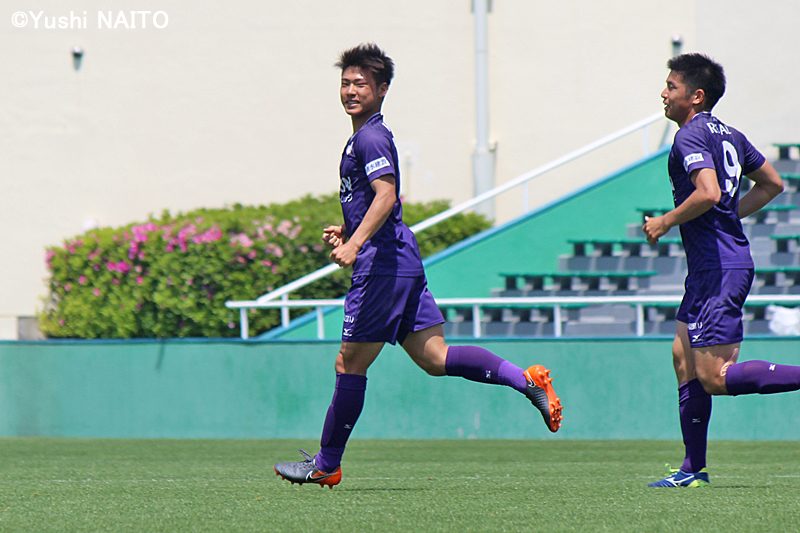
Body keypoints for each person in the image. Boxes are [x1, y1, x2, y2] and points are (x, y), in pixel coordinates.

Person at [273, 43, 562, 488]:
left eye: (361, 83)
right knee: (434, 357)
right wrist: (350, 230)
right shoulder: (364, 136)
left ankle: (326, 464)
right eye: (345, 83)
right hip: (399, 261)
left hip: (383, 267)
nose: (351, 91)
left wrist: (356, 245)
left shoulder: (370, 137)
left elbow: (387, 195)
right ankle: (526, 382)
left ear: (382, 89)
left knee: (349, 364)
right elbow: (375, 200)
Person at [643, 53, 800, 488]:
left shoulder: (689, 136)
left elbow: (709, 192)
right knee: (683, 358)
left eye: (671, 86)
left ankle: (693, 469)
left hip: (719, 267)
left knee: (715, 377)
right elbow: (772, 183)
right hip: (711, 266)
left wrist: (666, 221)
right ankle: (692, 469)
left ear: (695, 96)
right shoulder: (730, 134)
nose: (663, 93)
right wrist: (732, 215)